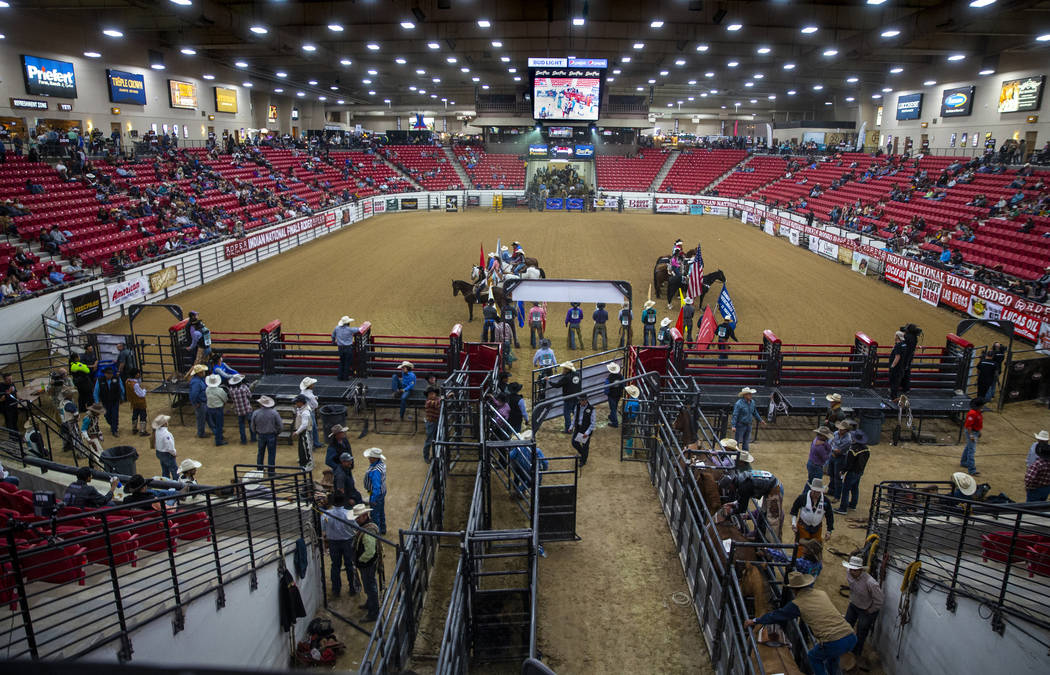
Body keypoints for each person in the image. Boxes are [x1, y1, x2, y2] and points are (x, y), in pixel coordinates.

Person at [745, 571, 857, 675]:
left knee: (813, 657)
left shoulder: (797, 603)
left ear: (794, 589)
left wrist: (756, 620)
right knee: (832, 658)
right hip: (850, 636)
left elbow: (777, 615)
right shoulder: (821, 593)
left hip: (834, 641)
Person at [842, 555, 884, 665]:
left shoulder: (871, 583)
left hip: (866, 609)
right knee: (846, 625)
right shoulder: (849, 573)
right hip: (854, 604)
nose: (852, 572)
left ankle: (856, 654)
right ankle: (844, 648)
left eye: (855, 570)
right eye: (851, 569)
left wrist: (870, 610)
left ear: (861, 570)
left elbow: (879, 600)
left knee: (861, 632)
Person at [322, 492, 360, 598]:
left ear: (333, 502)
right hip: (347, 541)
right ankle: (352, 588)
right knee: (349, 565)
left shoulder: (326, 515)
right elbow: (356, 527)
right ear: (344, 501)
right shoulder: (349, 514)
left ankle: (336, 590)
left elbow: (323, 529)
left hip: (333, 542)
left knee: (335, 565)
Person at [352, 502, 382, 621]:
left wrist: (360, 560)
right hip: (367, 563)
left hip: (367, 564)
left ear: (364, 515)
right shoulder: (367, 527)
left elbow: (370, 552)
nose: (357, 520)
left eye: (358, 517)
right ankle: (370, 603)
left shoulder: (368, 531)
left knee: (370, 586)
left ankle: (373, 612)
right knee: (369, 585)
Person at [790, 477, 835, 543]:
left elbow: (830, 516)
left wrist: (829, 531)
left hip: (817, 529)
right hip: (803, 527)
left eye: (818, 492)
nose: (816, 494)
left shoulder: (826, 501)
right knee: (801, 548)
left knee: (815, 548)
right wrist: (793, 524)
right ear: (811, 490)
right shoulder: (802, 498)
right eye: (814, 492)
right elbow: (794, 511)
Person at [836, 439, 870, 514]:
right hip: (860, 471)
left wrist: (843, 471)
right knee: (855, 488)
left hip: (852, 472)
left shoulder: (853, 450)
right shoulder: (866, 449)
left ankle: (843, 508)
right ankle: (853, 504)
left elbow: (849, 463)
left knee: (846, 489)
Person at [548, 361, 582, 433]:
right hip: (577, 397)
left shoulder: (566, 378)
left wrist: (549, 381)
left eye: (564, 369)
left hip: (568, 398)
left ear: (567, 369)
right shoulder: (577, 374)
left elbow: (557, 385)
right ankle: (579, 427)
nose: (563, 370)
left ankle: (568, 429)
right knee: (576, 413)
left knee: (567, 414)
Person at [251, 395, 282, 471]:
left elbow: (252, 425)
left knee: (260, 453)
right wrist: (277, 433)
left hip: (261, 435)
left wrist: (256, 432)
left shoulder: (256, 413)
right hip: (271, 435)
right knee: (271, 454)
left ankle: (259, 470)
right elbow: (280, 425)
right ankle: (271, 471)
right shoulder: (274, 413)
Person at [93, 366, 124, 436]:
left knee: (115, 415)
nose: (109, 375)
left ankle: (114, 429)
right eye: (108, 374)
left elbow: (121, 388)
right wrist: (97, 402)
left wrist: (122, 397)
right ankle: (113, 425)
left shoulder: (117, 378)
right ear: (105, 374)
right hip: (105, 401)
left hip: (114, 400)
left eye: (111, 374)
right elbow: (96, 391)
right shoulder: (100, 380)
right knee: (107, 415)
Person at [731, 387, 764, 452]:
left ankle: (745, 456)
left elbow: (754, 412)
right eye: (749, 394)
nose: (751, 395)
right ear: (745, 395)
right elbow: (735, 415)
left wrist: (760, 420)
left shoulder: (752, 402)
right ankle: (734, 456)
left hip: (749, 424)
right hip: (740, 425)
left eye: (750, 394)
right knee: (737, 441)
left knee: (746, 441)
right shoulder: (739, 404)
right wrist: (733, 425)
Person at [363, 448, 387, 534]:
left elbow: (376, 487)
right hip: (382, 492)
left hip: (376, 494)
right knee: (381, 512)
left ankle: (378, 534)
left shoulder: (375, 470)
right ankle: (383, 529)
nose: (369, 458)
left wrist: (372, 499)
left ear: (375, 458)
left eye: (370, 457)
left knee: (374, 515)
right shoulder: (381, 465)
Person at [570, 393, 596, 466]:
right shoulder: (577, 406)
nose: (581, 402)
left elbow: (593, 423)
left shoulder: (591, 409)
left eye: (582, 400)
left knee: (585, 445)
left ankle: (583, 460)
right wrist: (571, 427)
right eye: (580, 400)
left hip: (586, 429)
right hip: (578, 427)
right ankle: (583, 454)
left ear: (586, 400)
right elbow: (575, 417)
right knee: (574, 442)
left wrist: (587, 432)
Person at [228, 374, 254, 445]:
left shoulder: (231, 390)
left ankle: (243, 440)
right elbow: (250, 396)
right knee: (250, 424)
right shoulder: (244, 387)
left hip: (239, 410)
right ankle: (253, 438)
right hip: (247, 408)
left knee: (241, 425)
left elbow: (232, 399)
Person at [961, 397, 983, 476]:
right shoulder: (972, 413)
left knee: (968, 447)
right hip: (972, 432)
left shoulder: (978, 412)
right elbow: (969, 426)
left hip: (975, 431)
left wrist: (979, 431)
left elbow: (978, 423)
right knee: (971, 451)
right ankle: (972, 470)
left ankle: (963, 462)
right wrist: (971, 435)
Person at [204, 374, 228, 446]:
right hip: (218, 409)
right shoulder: (219, 390)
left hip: (210, 408)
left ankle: (219, 436)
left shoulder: (207, 389)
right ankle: (218, 440)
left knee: (214, 424)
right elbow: (225, 398)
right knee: (219, 425)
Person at [124, 367, 148, 436]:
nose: (139, 374)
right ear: (135, 375)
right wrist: (144, 390)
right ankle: (142, 431)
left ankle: (134, 428)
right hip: (140, 402)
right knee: (143, 416)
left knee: (135, 415)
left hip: (133, 402)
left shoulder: (127, 381)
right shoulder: (135, 385)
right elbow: (141, 394)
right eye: (138, 373)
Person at [331, 315, 357, 380]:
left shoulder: (336, 328)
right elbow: (359, 329)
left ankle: (340, 376)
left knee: (341, 362)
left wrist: (333, 342)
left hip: (340, 348)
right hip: (348, 348)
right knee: (347, 363)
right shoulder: (351, 329)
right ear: (348, 323)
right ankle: (346, 377)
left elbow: (333, 335)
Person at [153, 414, 178, 480]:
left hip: (159, 452)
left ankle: (165, 482)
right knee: (174, 470)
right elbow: (170, 447)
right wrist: (174, 453)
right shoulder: (166, 434)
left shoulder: (157, 431)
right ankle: (177, 484)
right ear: (164, 423)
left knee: (165, 469)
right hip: (167, 454)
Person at [293, 394, 313, 470]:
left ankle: (308, 465)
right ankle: (303, 462)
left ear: (301, 402)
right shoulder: (301, 409)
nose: (296, 404)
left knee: (306, 449)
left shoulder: (305, 412)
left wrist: (297, 432)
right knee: (302, 448)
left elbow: (304, 425)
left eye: (297, 402)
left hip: (305, 432)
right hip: (303, 432)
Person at [188, 364, 209, 438]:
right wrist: (195, 403)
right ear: (199, 373)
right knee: (201, 418)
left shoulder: (199, 380)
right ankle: (201, 433)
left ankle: (202, 432)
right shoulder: (196, 382)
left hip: (203, 402)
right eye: (202, 371)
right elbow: (194, 394)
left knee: (203, 417)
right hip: (200, 403)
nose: (204, 373)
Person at [887, 330, 907, 401]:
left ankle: (893, 397)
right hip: (900, 367)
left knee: (893, 382)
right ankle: (894, 396)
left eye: (895, 335)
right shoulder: (904, 344)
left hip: (896, 367)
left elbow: (897, 357)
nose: (894, 336)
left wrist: (892, 366)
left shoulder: (898, 346)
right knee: (896, 382)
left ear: (897, 337)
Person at [58, 386, 79, 454]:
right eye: (71, 394)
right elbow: (76, 414)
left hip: (63, 422)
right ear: (69, 395)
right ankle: (80, 451)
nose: (72, 395)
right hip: (71, 422)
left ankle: (66, 446)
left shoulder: (61, 402)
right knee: (76, 436)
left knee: (66, 435)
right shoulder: (69, 404)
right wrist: (76, 419)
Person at [423, 388, 441, 462]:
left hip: (436, 422)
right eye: (430, 394)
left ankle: (435, 455)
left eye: (433, 394)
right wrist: (446, 397)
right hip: (431, 422)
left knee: (436, 439)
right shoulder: (428, 402)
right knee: (429, 440)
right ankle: (426, 457)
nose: (432, 395)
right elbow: (437, 404)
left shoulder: (437, 399)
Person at [605, 362, 624, 428]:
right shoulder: (621, 376)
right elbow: (623, 385)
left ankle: (615, 423)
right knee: (614, 406)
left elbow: (606, 387)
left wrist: (607, 393)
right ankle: (611, 416)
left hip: (611, 395)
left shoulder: (609, 378)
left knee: (613, 408)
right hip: (618, 395)